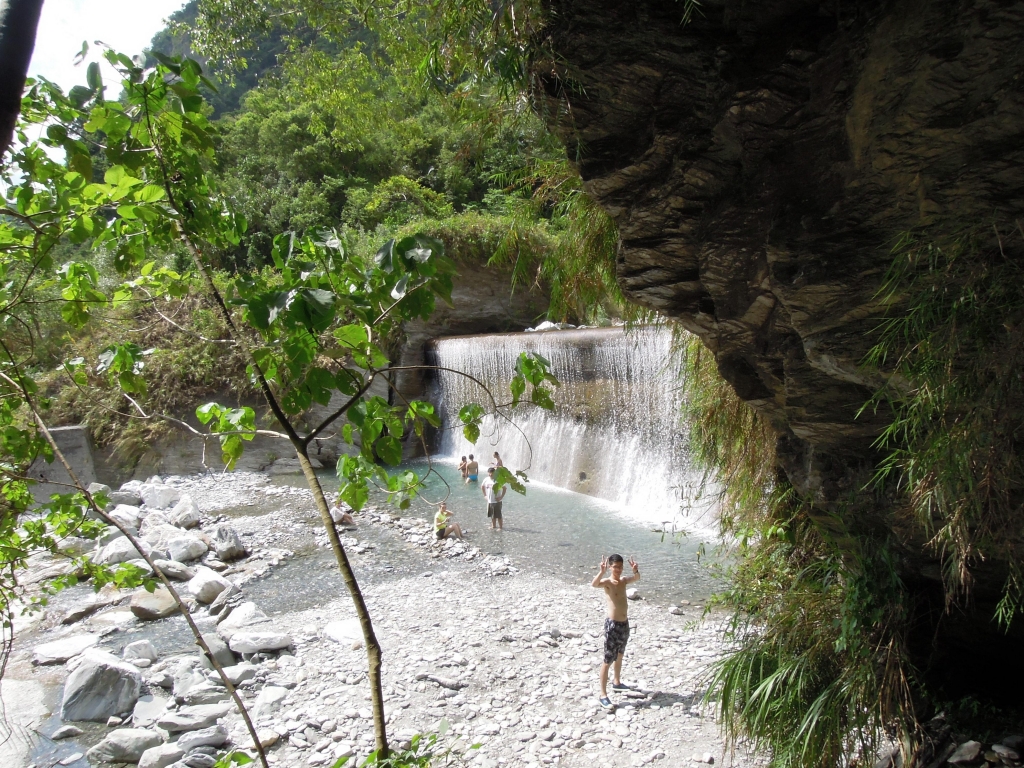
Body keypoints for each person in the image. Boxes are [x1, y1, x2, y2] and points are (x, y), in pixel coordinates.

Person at [591, 553, 640, 710]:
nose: (618, 569)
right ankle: (603, 695)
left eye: (620, 567)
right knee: (608, 660)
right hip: (612, 625)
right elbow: (594, 584)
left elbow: (637, 578)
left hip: (624, 624)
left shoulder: (624, 581)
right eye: (615, 567)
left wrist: (635, 570)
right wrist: (601, 571)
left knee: (620, 654)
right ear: (610, 567)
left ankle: (617, 682)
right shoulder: (607, 582)